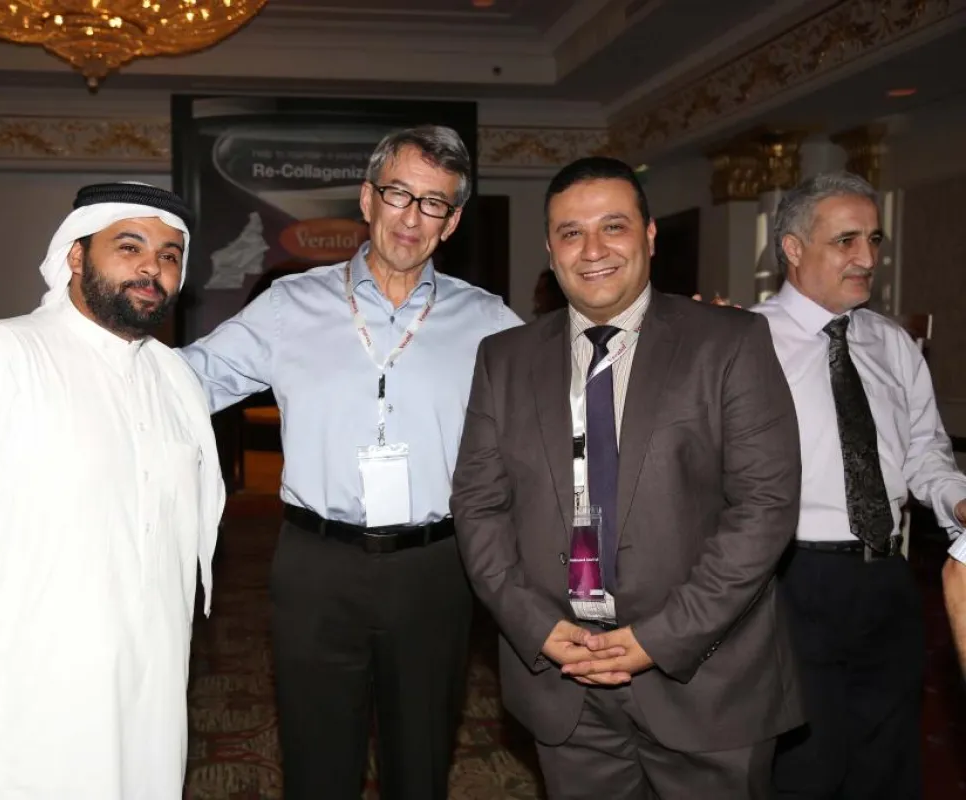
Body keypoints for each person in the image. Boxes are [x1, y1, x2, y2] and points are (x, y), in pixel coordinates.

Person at [180, 125, 522, 799]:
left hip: (435, 566)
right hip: (316, 565)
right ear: (367, 199)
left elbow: (551, 419)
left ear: (451, 222)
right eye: (398, 194)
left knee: (421, 763)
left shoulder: (489, 322)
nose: (412, 217)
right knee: (315, 764)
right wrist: (91, 356)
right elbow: (188, 381)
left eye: (434, 203)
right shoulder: (289, 307)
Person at [450, 156, 804, 798]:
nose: (592, 250)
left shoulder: (729, 342)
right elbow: (478, 507)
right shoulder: (503, 359)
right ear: (550, 249)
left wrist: (661, 638)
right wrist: (535, 627)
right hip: (562, 683)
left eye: (613, 226)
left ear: (649, 235)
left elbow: (764, 508)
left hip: (706, 681)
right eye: (571, 232)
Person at [0, 181, 225, 799]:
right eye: (130, 247)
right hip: (9, 696)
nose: (152, 268)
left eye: (169, 256)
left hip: (143, 694)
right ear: (76, 256)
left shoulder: (173, 381)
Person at [751, 172, 966, 799]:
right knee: (805, 768)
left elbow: (925, 452)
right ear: (793, 248)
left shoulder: (892, 343)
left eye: (873, 239)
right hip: (790, 581)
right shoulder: (744, 342)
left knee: (888, 764)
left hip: (889, 579)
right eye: (846, 240)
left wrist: (956, 498)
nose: (867, 258)